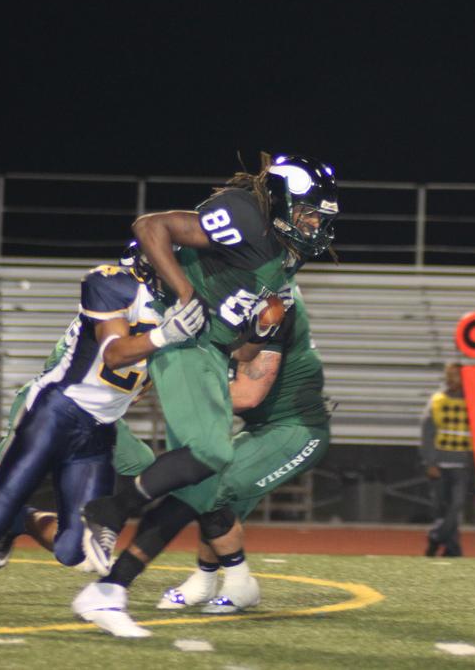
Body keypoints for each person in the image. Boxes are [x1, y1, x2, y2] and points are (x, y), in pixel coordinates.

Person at [0, 250, 206, 627]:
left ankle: (18, 521)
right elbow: (116, 354)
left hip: (99, 429)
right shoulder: (113, 283)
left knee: (74, 551)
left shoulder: (182, 312)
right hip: (56, 410)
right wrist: (165, 335)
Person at [80, 154, 338, 573]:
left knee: (203, 482)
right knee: (212, 451)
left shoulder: (287, 254)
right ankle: (109, 513)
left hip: (214, 353)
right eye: (308, 215)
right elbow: (150, 226)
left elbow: (241, 353)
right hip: (186, 341)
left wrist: (258, 333)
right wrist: (185, 294)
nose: (314, 226)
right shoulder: (246, 214)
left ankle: (123, 582)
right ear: (280, 200)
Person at [73, 284, 333, 637]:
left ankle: (121, 572)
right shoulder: (227, 293)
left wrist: (182, 386)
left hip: (295, 428)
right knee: (205, 483)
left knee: (207, 484)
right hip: (262, 427)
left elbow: (248, 394)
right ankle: (218, 579)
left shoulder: (273, 300)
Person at [419, 362, 472, 557]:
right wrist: (430, 462)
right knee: (441, 510)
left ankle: (435, 537)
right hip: (440, 463)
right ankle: (452, 549)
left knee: (456, 505)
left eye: (455, 375)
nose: (450, 379)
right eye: (448, 375)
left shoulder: (473, 400)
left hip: (461, 463)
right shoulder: (438, 399)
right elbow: (427, 432)